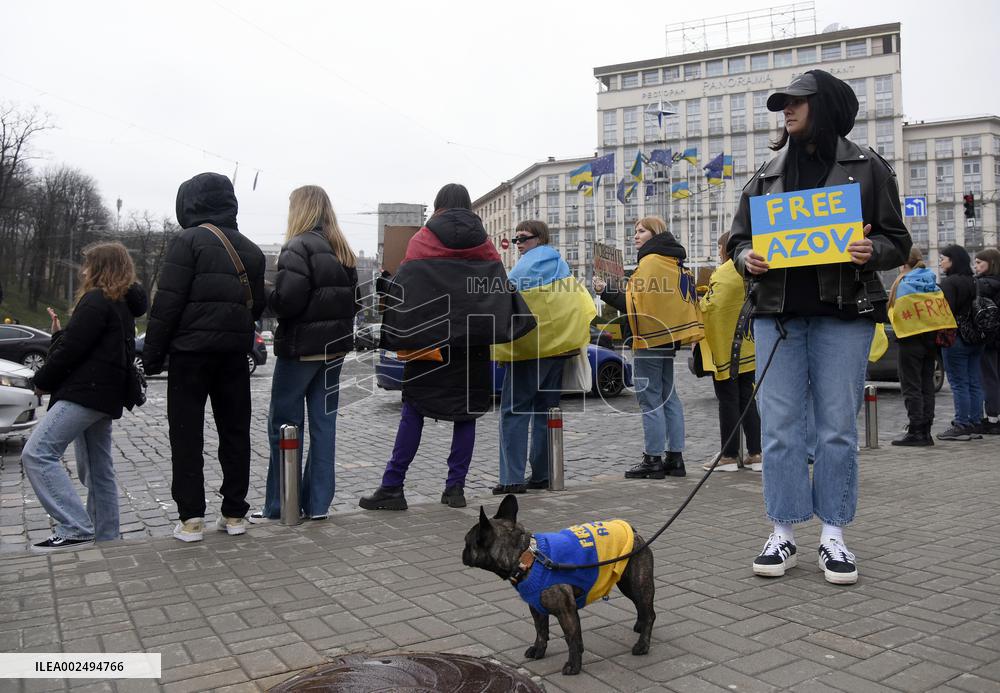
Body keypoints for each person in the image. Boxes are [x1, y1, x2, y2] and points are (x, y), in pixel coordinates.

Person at [727, 69, 911, 585]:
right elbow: (737, 242)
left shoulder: (868, 168)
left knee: (836, 431)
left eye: (796, 102)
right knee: (781, 430)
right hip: (777, 318)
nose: (785, 111)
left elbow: (897, 239)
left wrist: (871, 251)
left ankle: (834, 535)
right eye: (782, 105)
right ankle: (782, 531)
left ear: (824, 106)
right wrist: (748, 260)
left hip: (844, 316)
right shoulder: (766, 173)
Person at [359, 184, 533, 511]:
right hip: (472, 348)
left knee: (413, 412)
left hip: (429, 348)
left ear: (438, 207)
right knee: (465, 417)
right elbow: (497, 296)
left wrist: (386, 282)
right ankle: (455, 489)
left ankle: (392, 487)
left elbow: (405, 296)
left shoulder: (421, 242)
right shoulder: (486, 248)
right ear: (469, 208)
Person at [143, 172, 266, 542]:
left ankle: (191, 519)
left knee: (186, 435)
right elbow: (256, 307)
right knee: (235, 433)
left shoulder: (187, 241)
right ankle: (234, 514)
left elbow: (167, 304)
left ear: (189, 202)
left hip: (190, 355)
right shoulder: (252, 250)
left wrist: (151, 356)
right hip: (232, 356)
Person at [22, 242, 147, 552]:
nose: (83, 270)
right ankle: (106, 538)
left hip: (85, 393)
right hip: (105, 396)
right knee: (97, 468)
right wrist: (57, 333)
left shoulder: (95, 300)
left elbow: (72, 352)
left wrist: (41, 381)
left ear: (101, 268)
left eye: (88, 264)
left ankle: (75, 526)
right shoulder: (121, 305)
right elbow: (86, 345)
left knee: (37, 454)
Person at [249, 186, 359, 523]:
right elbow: (352, 303)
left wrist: (266, 292)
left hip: (300, 353)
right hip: (334, 351)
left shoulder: (297, 247)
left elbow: (288, 301)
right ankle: (318, 504)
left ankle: (280, 505)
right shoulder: (344, 251)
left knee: (283, 425)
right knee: (324, 427)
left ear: (300, 210)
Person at [594, 216, 703, 480]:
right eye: (635, 232)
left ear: (655, 233)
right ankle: (675, 459)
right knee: (669, 396)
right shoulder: (674, 261)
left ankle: (653, 459)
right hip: (668, 337)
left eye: (641, 231)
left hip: (648, 339)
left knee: (650, 398)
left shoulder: (650, 262)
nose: (635, 236)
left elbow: (634, 307)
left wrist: (604, 291)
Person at [493, 220, 595, 494]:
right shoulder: (561, 265)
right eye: (515, 239)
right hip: (559, 349)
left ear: (540, 238)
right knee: (545, 412)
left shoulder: (527, 264)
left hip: (530, 350)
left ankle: (511, 479)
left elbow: (507, 302)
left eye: (523, 238)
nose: (518, 244)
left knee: (514, 412)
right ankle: (542, 474)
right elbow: (577, 303)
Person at [697, 231, 762, 472]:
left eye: (719, 247)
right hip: (749, 343)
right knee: (748, 399)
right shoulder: (754, 267)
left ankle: (729, 454)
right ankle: (756, 452)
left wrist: (700, 300)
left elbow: (712, 307)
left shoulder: (726, 271)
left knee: (728, 399)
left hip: (727, 347)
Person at [887, 248, 948, 446]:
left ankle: (915, 430)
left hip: (909, 339)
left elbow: (894, 312)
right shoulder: (931, 282)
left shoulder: (904, 283)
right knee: (927, 385)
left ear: (903, 264)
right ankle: (926, 431)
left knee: (911, 386)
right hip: (930, 340)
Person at [937, 245, 985, 441]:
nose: (941, 262)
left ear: (953, 260)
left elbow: (944, 312)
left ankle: (961, 424)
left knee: (958, 383)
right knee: (974, 381)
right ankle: (974, 422)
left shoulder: (950, 283)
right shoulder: (974, 281)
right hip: (976, 337)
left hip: (956, 337)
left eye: (943, 258)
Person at [974, 248, 1000, 435]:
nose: (975, 266)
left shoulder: (982, 285)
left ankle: (992, 418)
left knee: (988, 378)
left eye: (978, 263)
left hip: (988, 338)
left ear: (990, 264)